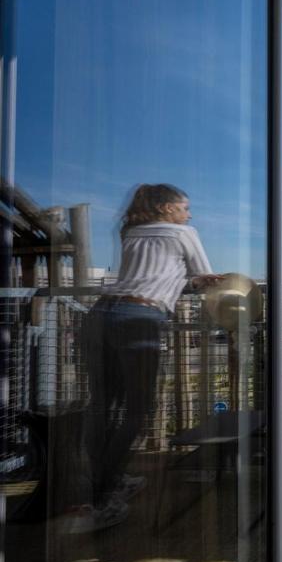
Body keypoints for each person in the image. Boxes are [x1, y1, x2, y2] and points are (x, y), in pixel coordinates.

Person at [69, 184, 221, 533]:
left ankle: (109, 481)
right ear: (167, 208)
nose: (189, 214)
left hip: (100, 315)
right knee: (139, 409)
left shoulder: (132, 232)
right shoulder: (184, 233)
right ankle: (101, 499)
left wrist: (189, 283)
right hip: (138, 319)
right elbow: (205, 278)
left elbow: (155, 278)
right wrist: (213, 283)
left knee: (102, 406)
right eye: (184, 207)